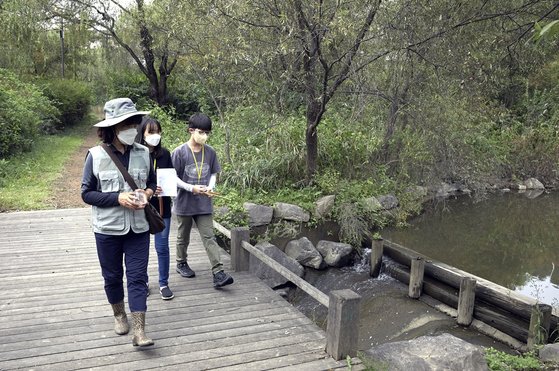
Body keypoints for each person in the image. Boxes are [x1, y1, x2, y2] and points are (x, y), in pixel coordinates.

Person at [81, 97, 155, 347]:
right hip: (107, 229)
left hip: (139, 228)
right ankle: (119, 314)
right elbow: (86, 193)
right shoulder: (95, 155)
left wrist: (147, 193)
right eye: (125, 124)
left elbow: (153, 184)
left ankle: (139, 331)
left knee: (137, 278)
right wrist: (117, 198)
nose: (131, 129)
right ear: (112, 127)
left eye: (134, 123)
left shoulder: (144, 153)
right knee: (112, 277)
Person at [172, 112, 234, 288]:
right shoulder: (179, 152)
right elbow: (173, 178)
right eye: (201, 132)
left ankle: (218, 272)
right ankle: (181, 262)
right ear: (191, 130)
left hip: (204, 203)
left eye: (207, 132)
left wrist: (210, 187)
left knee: (209, 236)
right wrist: (191, 188)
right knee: (183, 236)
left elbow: (213, 172)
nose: (204, 136)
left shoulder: (210, 152)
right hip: (184, 202)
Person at [135, 117, 175, 300]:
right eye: (151, 132)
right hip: (140, 206)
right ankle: (142, 281)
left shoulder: (165, 154)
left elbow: (170, 178)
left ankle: (163, 283)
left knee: (162, 246)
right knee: (140, 248)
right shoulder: (135, 154)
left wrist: (163, 187)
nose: (155, 136)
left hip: (161, 205)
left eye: (157, 131)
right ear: (142, 133)